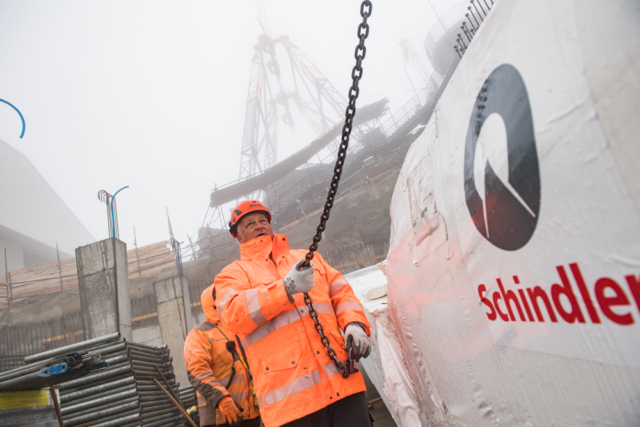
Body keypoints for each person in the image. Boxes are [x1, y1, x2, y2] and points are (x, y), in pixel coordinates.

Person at [213, 200, 372, 427]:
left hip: (342, 384)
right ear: (237, 236)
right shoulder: (232, 275)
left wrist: (354, 324)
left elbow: (341, 292)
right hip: (291, 405)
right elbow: (232, 314)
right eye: (249, 224)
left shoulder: (308, 257)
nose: (258, 225)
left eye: (262, 220)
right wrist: (284, 288)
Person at [184, 285, 262, 427]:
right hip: (220, 418)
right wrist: (221, 398)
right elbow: (196, 372)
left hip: (250, 414)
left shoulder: (239, 329)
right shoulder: (199, 334)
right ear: (211, 302)